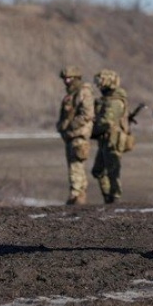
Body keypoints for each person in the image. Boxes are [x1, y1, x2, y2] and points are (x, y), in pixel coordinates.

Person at [56, 66, 95, 205]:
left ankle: (76, 195)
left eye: (70, 78)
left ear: (76, 78)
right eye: (65, 78)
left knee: (76, 166)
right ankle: (78, 196)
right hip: (71, 135)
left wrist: (70, 125)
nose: (66, 81)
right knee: (74, 165)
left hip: (79, 134)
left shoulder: (83, 92)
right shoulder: (71, 94)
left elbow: (87, 114)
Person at [91, 69, 130, 204]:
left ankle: (114, 199)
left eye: (100, 82)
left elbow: (107, 122)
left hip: (113, 140)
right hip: (104, 140)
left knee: (113, 171)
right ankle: (108, 197)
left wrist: (91, 130)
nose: (98, 85)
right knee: (98, 170)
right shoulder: (105, 100)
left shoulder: (115, 101)